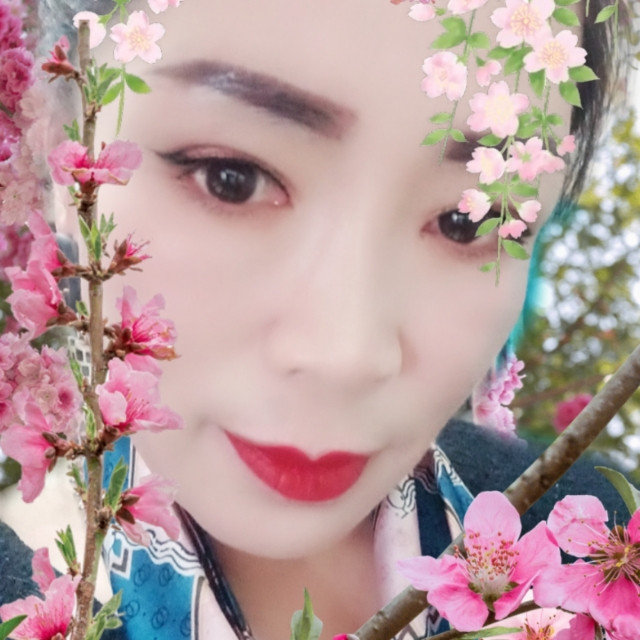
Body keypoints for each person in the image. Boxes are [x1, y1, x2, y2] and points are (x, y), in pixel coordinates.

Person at [0, 1, 632, 639]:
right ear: (62, 150)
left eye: (465, 222)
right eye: (232, 178)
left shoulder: (603, 543)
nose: (347, 353)